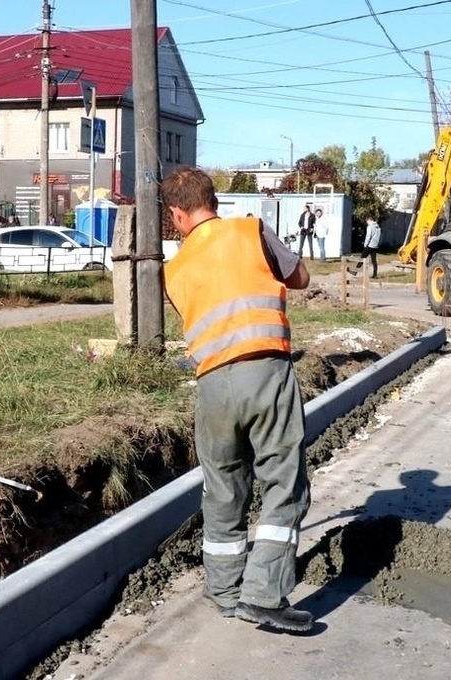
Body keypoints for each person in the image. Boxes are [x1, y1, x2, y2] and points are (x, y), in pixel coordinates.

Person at [160, 165, 314, 633]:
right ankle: (264, 594)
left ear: (176, 215)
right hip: (265, 371)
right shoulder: (251, 231)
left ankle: (225, 593)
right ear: (215, 201)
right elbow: (301, 276)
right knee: (283, 484)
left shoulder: (174, 270)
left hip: (211, 386)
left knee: (223, 488)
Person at [359, 214, 381, 278]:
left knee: (362, 258)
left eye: (367, 221)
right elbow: (380, 237)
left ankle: (355, 271)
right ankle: (375, 274)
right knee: (374, 261)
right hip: (375, 246)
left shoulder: (370, 227)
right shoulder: (378, 227)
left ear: (369, 220)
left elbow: (368, 236)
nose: (367, 223)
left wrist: (365, 244)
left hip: (370, 245)